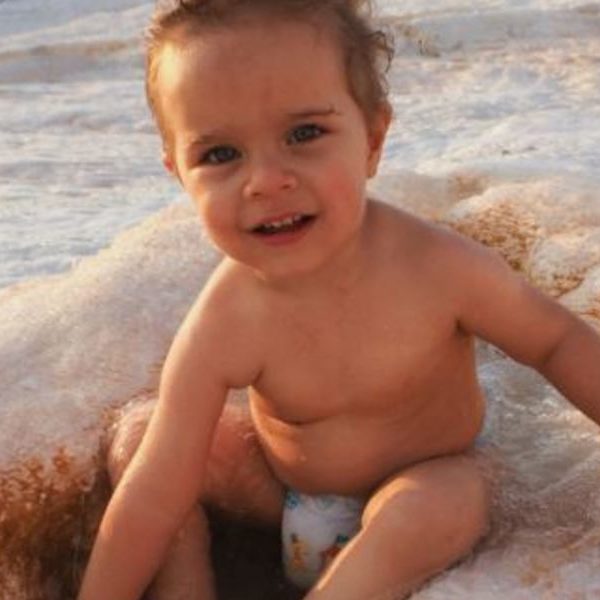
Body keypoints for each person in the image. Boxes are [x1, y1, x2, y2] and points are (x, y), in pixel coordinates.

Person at [78, 0, 600, 598]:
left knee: (433, 506)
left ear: (372, 140)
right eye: (220, 154)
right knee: (144, 439)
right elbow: (155, 491)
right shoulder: (229, 316)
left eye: (305, 134)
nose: (267, 181)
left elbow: (556, 341)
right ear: (178, 173)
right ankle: (187, 586)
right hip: (290, 503)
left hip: (431, 484)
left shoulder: (436, 266)